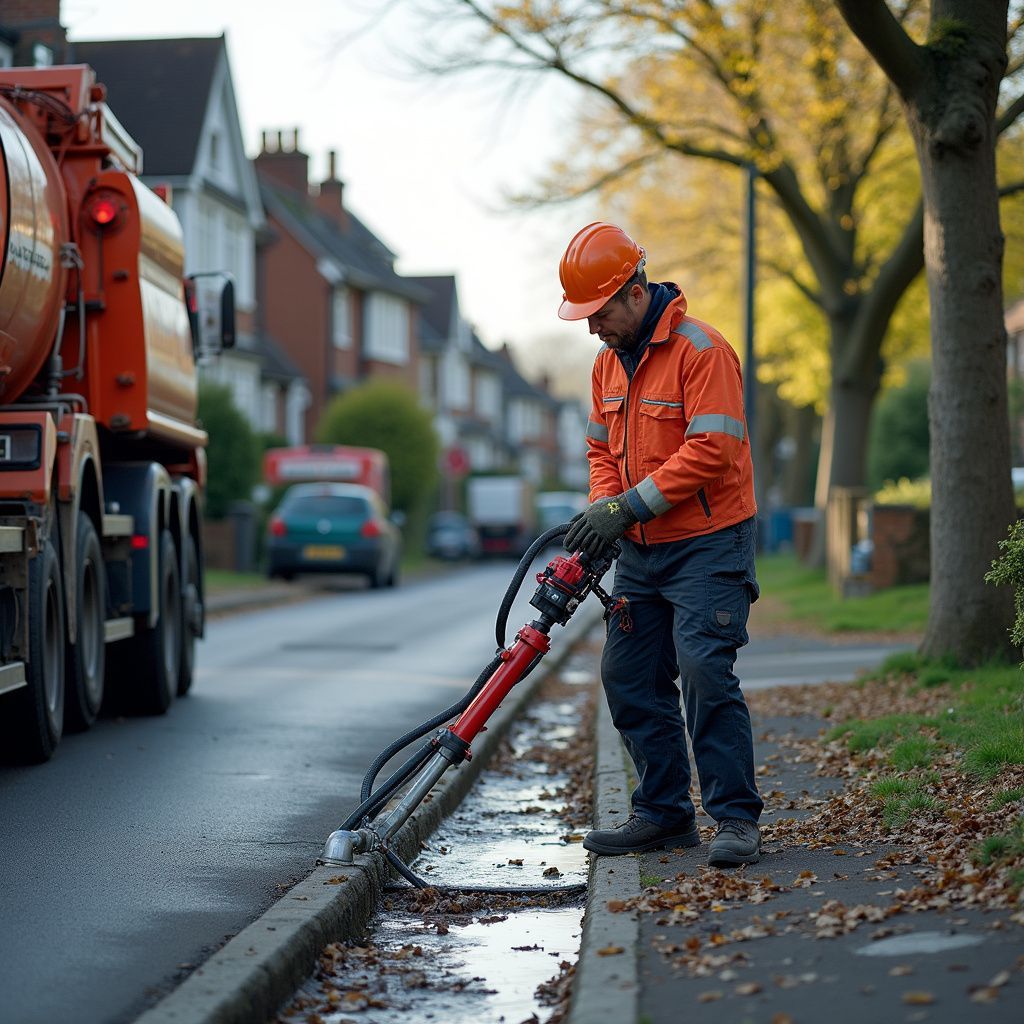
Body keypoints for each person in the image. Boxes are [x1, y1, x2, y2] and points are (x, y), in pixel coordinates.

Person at [558, 222, 762, 867]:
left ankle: (735, 820)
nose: (592, 328)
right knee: (628, 675)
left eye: (598, 313)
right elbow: (600, 450)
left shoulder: (703, 352)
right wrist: (602, 506)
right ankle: (665, 813)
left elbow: (712, 450)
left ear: (633, 291)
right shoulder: (603, 366)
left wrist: (626, 506)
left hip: (709, 543)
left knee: (704, 669)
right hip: (643, 554)